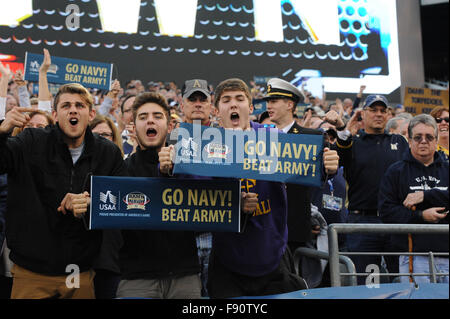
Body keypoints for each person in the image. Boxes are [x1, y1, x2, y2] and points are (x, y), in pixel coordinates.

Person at [0, 83, 126, 299]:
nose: (73, 110)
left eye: (80, 105)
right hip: (32, 271)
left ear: (91, 113)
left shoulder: (108, 153)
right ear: (55, 114)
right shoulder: (30, 142)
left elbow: (121, 202)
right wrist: (1, 131)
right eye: (66, 105)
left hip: (81, 270)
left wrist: (90, 203)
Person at [191, 78, 310, 298]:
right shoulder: (205, 143)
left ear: (252, 107)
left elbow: (309, 166)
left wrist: (327, 164)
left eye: (239, 99)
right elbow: (191, 181)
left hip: (272, 254)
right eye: (226, 100)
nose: (233, 105)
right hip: (228, 260)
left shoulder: (273, 137)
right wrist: (167, 165)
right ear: (217, 110)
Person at [116, 92, 202, 299]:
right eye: (143, 117)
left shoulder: (190, 168)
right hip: (136, 279)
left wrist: (173, 173)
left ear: (170, 126)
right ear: (133, 128)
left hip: (184, 277)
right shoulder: (121, 170)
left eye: (157, 116)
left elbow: (206, 213)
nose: (150, 121)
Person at [262, 78, 340, 267]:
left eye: (273, 101)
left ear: (290, 104)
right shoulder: (258, 137)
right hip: (263, 227)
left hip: (294, 227)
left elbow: (324, 176)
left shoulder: (311, 137)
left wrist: (330, 167)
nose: (268, 105)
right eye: (268, 101)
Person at [336, 94, 409, 285]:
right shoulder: (352, 142)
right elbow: (337, 160)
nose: (378, 114)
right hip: (363, 221)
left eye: (383, 111)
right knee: (369, 284)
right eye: (373, 110)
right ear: (363, 114)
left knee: (400, 279)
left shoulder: (399, 142)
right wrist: (346, 131)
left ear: (388, 115)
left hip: (394, 219)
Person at [379, 114, 449, 283]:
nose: (423, 141)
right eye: (417, 137)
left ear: (436, 140)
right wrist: (421, 216)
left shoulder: (448, 169)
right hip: (413, 257)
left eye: (429, 137)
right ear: (409, 140)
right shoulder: (396, 171)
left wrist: (426, 195)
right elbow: (386, 212)